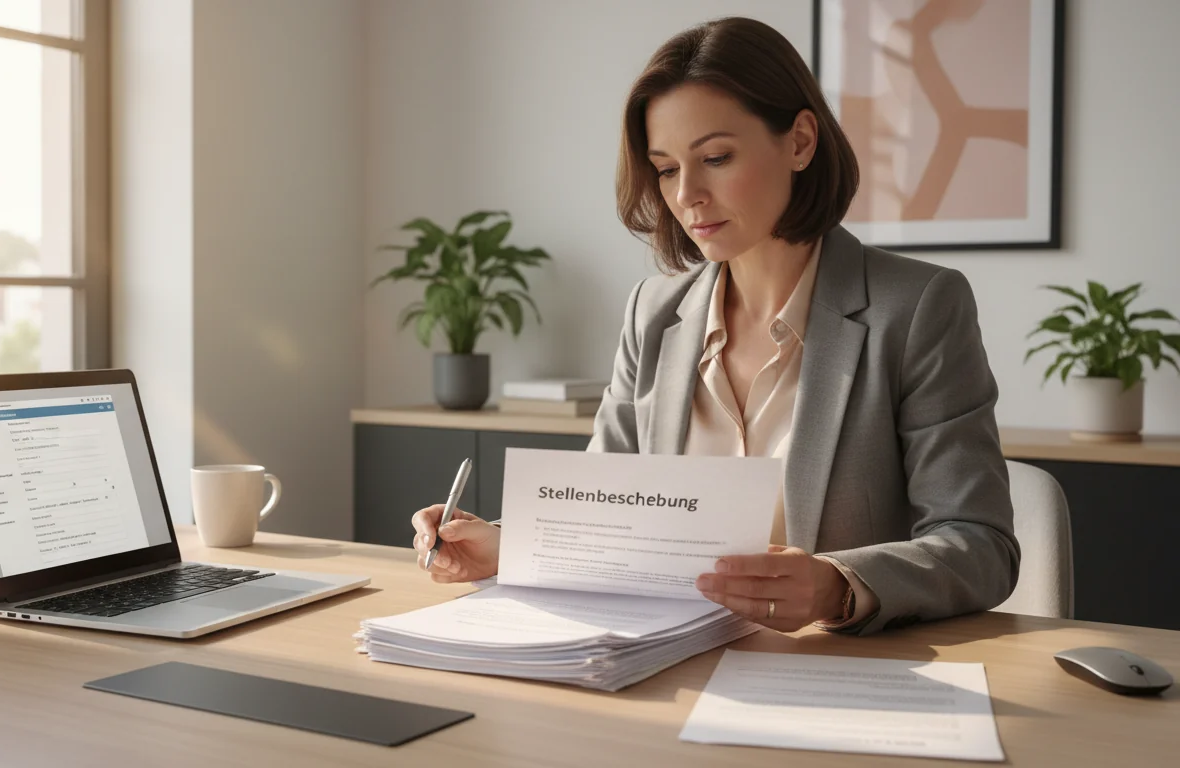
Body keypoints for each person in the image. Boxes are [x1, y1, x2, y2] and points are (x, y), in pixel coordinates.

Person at [410, 16, 1019, 636]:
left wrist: (838, 584)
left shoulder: (917, 306)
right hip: (667, 666)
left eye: (717, 158)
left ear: (801, 141)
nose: (688, 195)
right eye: (667, 168)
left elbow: (980, 544)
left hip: (837, 674)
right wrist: (502, 545)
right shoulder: (653, 311)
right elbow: (602, 512)